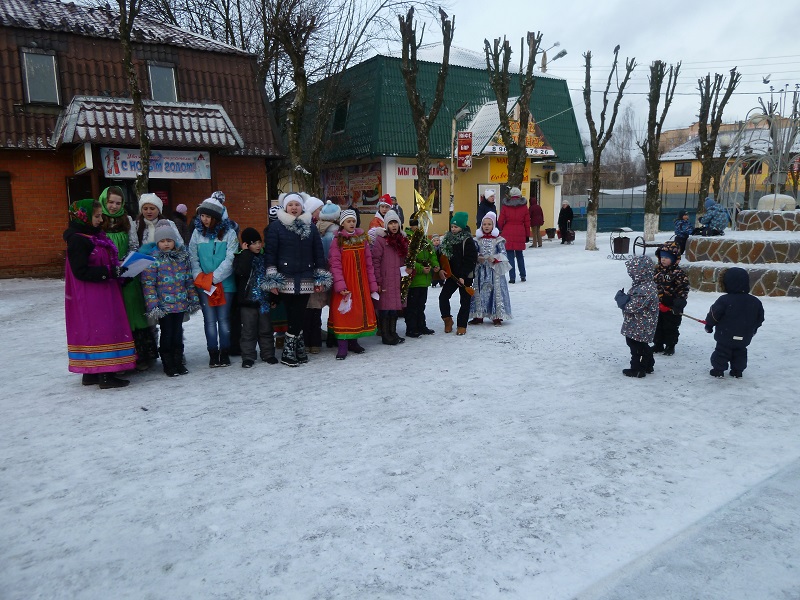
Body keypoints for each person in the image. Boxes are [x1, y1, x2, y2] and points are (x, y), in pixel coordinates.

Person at [63, 199, 136, 389]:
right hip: (92, 295)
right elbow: (80, 271)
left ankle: (91, 373)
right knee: (101, 330)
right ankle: (105, 375)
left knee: (99, 329)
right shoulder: (78, 240)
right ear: (83, 216)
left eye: (100, 215)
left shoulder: (94, 235)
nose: (100, 219)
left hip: (102, 291)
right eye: (96, 216)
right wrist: (109, 271)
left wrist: (120, 270)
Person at [264, 192, 332, 367]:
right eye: (290, 205)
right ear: (285, 207)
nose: (294, 208)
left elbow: (318, 253)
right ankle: (291, 351)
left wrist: (319, 277)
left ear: (302, 207)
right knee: (293, 314)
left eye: (297, 205)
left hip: (306, 278)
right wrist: (272, 278)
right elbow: (270, 254)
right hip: (285, 278)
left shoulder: (310, 227)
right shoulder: (276, 227)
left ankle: (295, 349)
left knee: (300, 313)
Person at [99, 185, 155, 371]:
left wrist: (126, 261)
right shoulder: (98, 220)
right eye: (111, 202)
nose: (114, 206)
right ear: (104, 201)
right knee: (114, 315)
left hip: (127, 274)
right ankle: (118, 359)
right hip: (108, 275)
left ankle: (141, 356)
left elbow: (133, 245)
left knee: (134, 313)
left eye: (118, 203)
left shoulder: (127, 220)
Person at [141, 225, 199, 376]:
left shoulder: (181, 258)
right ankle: (168, 364)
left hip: (180, 303)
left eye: (169, 240)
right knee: (167, 333)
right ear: (157, 243)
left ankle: (178, 361)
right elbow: (148, 284)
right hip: (164, 306)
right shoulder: (153, 260)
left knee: (177, 333)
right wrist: (153, 304)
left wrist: (193, 298)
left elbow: (188, 280)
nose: (166, 244)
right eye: (162, 241)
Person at [189, 197, 238, 368]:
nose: (204, 219)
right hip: (204, 285)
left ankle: (224, 352)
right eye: (202, 216)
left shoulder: (229, 233)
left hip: (225, 284)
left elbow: (230, 259)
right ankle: (213, 352)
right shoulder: (197, 233)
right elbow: (193, 257)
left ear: (216, 217)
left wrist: (213, 278)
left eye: (208, 216)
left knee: (223, 319)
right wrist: (200, 277)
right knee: (209, 321)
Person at [327, 209, 379, 360]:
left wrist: (372, 285)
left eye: (353, 221)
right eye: (348, 221)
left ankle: (353, 342)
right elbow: (335, 265)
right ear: (342, 223)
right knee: (344, 313)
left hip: (361, 283)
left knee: (357, 312)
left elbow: (369, 264)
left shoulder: (362, 239)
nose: (351, 223)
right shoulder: (337, 241)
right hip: (345, 283)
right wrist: (340, 285)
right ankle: (342, 345)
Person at [704, 267, 764, 378]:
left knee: (722, 352)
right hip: (745, 335)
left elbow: (714, 314)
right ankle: (737, 370)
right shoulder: (755, 302)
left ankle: (718, 370)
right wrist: (754, 328)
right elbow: (759, 318)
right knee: (740, 352)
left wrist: (709, 325)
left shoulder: (724, 300)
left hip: (725, 335)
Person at [233, 228, 276, 367]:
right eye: (253, 243)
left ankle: (268, 354)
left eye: (259, 242)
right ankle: (248, 356)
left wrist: (274, 298)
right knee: (248, 331)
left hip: (264, 300)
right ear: (246, 244)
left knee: (266, 329)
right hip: (247, 301)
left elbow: (271, 278)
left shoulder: (265, 257)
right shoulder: (241, 257)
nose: (258, 246)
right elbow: (242, 272)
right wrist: (246, 253)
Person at [614, 255, 659, 378]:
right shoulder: (644, 285)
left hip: (640, 325)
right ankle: (648, 365)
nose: (631, 274)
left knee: (636, 347)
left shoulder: (645, 289)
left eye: (633, 272)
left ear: (641, 272)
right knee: (642, 345)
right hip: (638, 324)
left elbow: (633, 307)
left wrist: (622, 301)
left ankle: (637, 369)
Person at [371, 209, 409, 345]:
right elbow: (375, 261)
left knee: (394, 309)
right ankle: (385, 334)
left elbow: (404, 260)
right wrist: (378, 280)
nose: (394, 226)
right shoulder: (381, 241)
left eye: (395, 223)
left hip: (397, 279)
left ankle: (393, 333)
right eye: (391, 223)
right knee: (385, 309)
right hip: (385, 280)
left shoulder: (402, 240)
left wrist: (407, 272)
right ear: (386, 225)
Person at [438, 212, 478, 336]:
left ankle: (462, 325)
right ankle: (447, 319)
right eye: (452, 226)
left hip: (465, 276)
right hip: (451, 275)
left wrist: (463, 275)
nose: (453, 229)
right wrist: (442, 269)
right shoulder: (447, 239)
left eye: (456, 226)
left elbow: (470, 259)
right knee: (443, 297)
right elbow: (442, 256)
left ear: (462, 227)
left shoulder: (468, 240)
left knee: (464, 301)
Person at [469, 212, 512, 326]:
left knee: (495, 292)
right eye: (484, 224)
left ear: (493, 226)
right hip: (481, 271)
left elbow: (503, 253)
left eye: (489, 224)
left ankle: (496, 315)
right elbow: (473, 253)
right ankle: (479, 315)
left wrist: (495, 258)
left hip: (494, 271)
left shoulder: (498, 240)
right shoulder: (477, 240)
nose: (486, 226)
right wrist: (478, 257)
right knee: (480, 291)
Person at [309, 201, 341, 352]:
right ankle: (334, 335)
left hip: (319, 272)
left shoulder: (315, 229)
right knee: (335, 305)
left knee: (317, 306)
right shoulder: (337, 233)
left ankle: (315, 338)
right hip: (335, 271)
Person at [652, 241, 689, 356]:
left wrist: (679, 302)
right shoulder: (657, 271)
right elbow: (651, 285)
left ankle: (670, 345)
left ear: (674, 259)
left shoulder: (679, 273)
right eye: (662, 257)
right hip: (657, 304)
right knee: (657, 325)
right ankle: (658, 344)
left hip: (672, 306)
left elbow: (683, 289)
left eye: (667, 257)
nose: (663, 259)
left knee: (670, 327)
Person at [404, 217, 439, 337]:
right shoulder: (409, 240)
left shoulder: (426, 240)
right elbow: (408, 259)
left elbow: (432, 255)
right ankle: (411, 328)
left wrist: (435, 265)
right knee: (412, 305)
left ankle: (421, 325)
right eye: (417, 225)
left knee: (421, 304)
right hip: (414, 279)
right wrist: (420, 268)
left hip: (425, 279)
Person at [498, 186, 530, 283]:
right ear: (519, 195)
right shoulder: (524, 207)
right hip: (520, 231)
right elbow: (527, 222)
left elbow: (500, 220)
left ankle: (512, 278)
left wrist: (499, 230)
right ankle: (523, 275)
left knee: (510, 256)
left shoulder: (505, 206)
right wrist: (527, 235)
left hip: (508, 232)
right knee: (520, 255)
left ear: (511, 195)